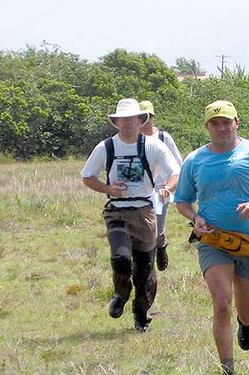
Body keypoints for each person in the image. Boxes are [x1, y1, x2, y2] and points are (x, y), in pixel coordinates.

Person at [175, 100, 249, 375]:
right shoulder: (195, 160)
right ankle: (227, 367)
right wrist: (195, 218)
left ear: (237, 123)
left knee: (246, 310)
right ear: (207, 127)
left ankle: (247, 324)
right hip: (213, 242)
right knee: (221, 302)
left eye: (226, 122)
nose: (221, 128)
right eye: (214, 123)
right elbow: (182, 200)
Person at [81, 98, 180, 331]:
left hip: (145, 212)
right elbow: (87, 176)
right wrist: (108, 189)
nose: (126, 123)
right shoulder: (106, 147)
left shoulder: (153, 145)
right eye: (122, 119)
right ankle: (120, 293)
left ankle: (141, 315)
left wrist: (168, 187)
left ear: (139, 121)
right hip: (116, 210)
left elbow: (176, 171)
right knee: (120, 257)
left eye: (131, 119)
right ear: (116, 122)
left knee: (145, 272)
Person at [139, 100, 183, 272]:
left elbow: (179, 165)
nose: (144, 121)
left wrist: (171, 186)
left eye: (147, 117)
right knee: (142, 229)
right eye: (140, 117)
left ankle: (161, 245)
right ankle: (145, 264)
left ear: (153, 118)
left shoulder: (164, 138)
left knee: (157, 227)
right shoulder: (133, 140)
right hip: (141, 191)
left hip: (162, 191)